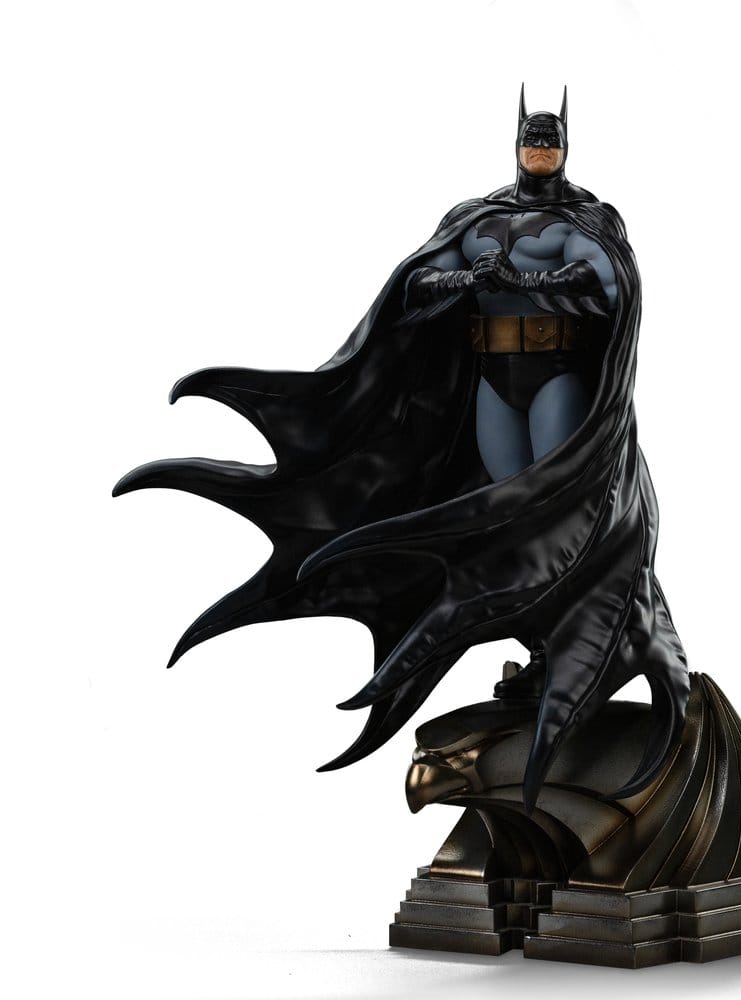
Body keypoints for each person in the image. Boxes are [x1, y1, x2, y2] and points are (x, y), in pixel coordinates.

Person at [115, 86, 689, 812]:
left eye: (550, 143)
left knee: (558, 516)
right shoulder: (477, 217)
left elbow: (606, 281)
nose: (540, 152)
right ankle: (538, 646)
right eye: (532, 141)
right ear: (518, 146)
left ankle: (572, 649)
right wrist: (465, 279)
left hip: (559, 376)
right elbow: (417, 282)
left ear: (564, 149)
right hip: (494, 379)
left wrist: (531, 281)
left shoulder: (587, 218)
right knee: (503, 527)